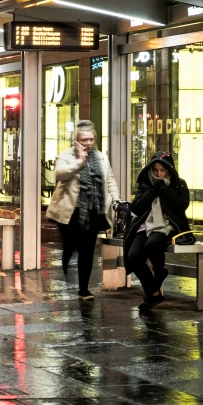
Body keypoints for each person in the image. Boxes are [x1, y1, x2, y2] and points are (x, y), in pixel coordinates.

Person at [46, 120, 120, 300]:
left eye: (91, 139)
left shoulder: (101, 157)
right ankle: (64, 271)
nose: (87, 143)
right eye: (83, 139)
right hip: (71, 211)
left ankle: (84, 289)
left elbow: (109, 180)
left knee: (87, 250)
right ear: (76, 140)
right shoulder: (66, 155)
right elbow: (60, 174)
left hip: (93, 210)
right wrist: (80, 162)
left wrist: (116, 200)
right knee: (71, 246)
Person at [124, 152, 192, 311]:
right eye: (156, 170)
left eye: (162, 170)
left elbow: (181, 206)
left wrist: (165, 190)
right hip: (145, 225)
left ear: (169, 170)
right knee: (133, 256)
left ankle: (158, 275)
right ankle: (154, 292)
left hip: (167, 225)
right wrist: (153, 191)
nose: (159, 174)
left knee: (152, 245)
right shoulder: (146, 183)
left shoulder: (178, 184)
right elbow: (136, 208)